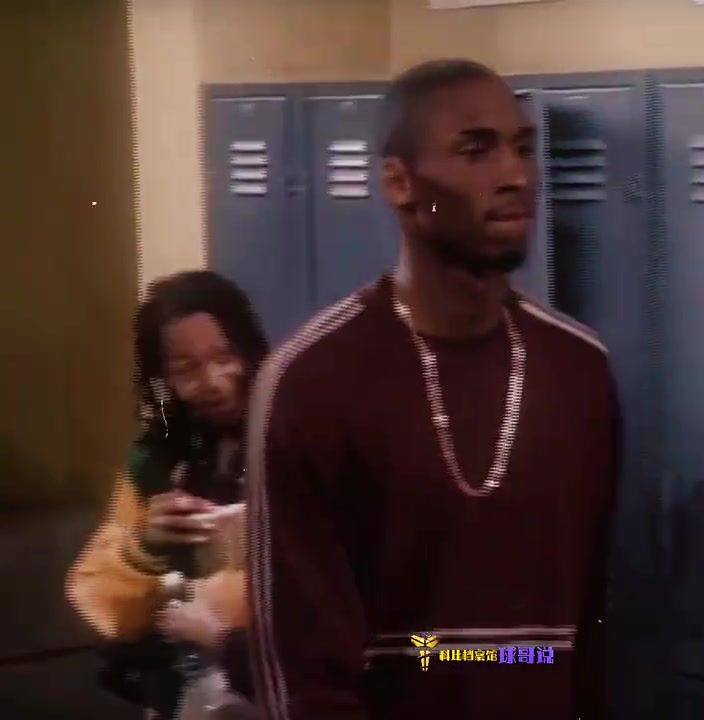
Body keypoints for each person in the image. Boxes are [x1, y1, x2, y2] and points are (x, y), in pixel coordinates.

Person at [246, 59, 621, 720]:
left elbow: (582, 634)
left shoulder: (578, 370)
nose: (516, 175)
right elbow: (302, 664)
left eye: (522, 148)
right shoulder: (313, 382)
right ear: (400, 182)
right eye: (476, 151)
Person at [66, 270, 267, 719]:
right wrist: (145, 549)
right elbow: (100, 603)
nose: (212, 381)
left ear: (251, 348)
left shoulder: (299, 433)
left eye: (225, 356)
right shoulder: (157, 460)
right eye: (186, 369)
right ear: (164, 379)